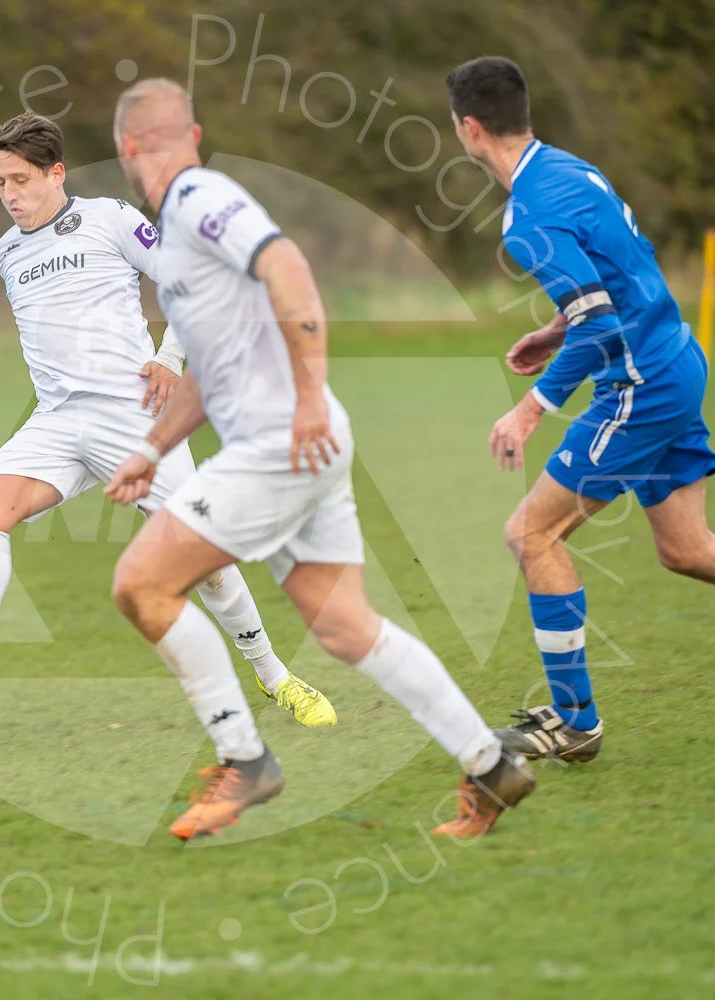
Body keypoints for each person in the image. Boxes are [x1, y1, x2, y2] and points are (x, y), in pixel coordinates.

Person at [105, 79, 533, 841]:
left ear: (127, 148)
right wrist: (151, 448)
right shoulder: (174, 230)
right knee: (343, 628)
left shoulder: (199, 199)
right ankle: (490, 763)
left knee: (141, 584)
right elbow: (208, 364)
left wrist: (305, 398)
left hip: (285, 440)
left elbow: (289, 268)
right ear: (194, 132)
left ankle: (245, 759)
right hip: (302, 440)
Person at [444, 56, 715, 762]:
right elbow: (622, 279)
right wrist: (555, 328)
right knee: (687, 548)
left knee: (532, 535)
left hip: (641, 386)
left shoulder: (526, 216)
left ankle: (574, 721)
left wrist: (532, 406)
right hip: (677, 359)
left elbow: (601, 322)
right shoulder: (571, 170)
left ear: (469, 129)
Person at [0, 112, 337, 729]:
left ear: (56, 174)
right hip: (55, 422)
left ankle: (277, 678)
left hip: (133, 418)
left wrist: (168, 358)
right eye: (0, 183)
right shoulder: (6, 253)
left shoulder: (109, 218)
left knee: (209, 565)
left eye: (21, 180)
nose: (9, 196)